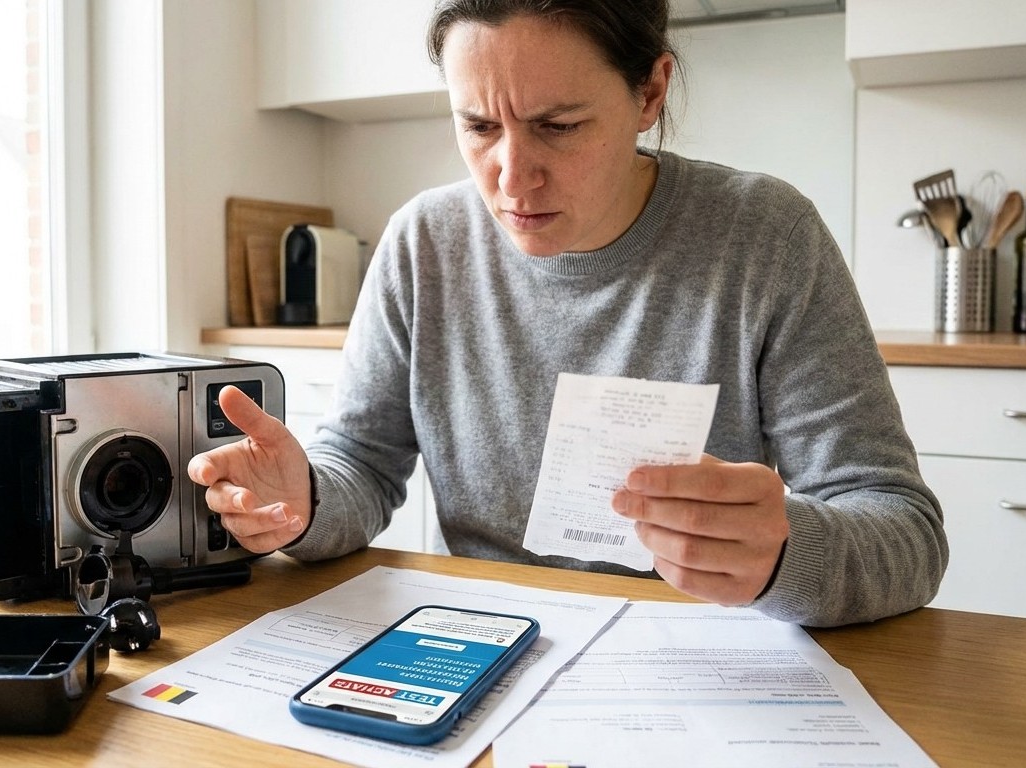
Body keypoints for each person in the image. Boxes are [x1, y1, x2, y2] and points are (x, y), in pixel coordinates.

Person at [191, 0, 948, 627]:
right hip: (480, 638)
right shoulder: (424, 242)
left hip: (694, 654)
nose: (512, 178)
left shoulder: (763, 237)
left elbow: (904, 533)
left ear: (649, 93)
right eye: (478, 127)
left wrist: (785, 555)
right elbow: (360, 463)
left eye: (558, 126)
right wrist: (303, 501)